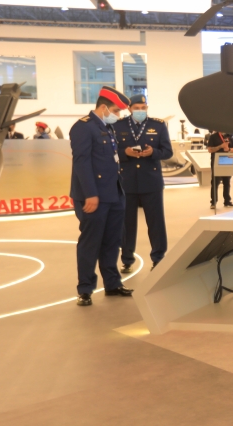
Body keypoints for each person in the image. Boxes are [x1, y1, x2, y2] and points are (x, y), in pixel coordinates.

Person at [69, 85, 133, 307]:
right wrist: (90, 194)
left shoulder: (106, 127)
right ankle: (85, 289)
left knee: (111, 242)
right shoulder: (83, 128)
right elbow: (82, 163)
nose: (118, 115)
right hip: (94, 196)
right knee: (90, 243)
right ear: (104, 107)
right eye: (116, 111)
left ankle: (112, 284)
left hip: (114, 194)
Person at [114, 94, 172, 274]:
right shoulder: (118, 125)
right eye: (137, 108)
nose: (140, 111)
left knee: (156, 222)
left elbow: (167, 151)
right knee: (126, 223)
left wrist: (153, 152)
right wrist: (125, 153)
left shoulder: (158, 125)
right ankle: (127, 258)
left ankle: (158, 258)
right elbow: (111, 151)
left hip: (151, 181)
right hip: (127, 181)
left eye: (143, 108)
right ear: (129, 109)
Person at [206, 130, 233, 210]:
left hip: (227, 161)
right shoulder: (213, 137)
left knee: (227, 182)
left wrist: (228, 149)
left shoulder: (229, 136)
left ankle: (227, 201)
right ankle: (213, 202)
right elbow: (210, 150)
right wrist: (220, 146)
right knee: (215, 182)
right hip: (217, 161)